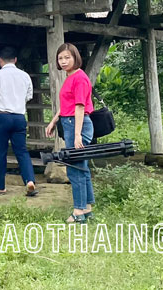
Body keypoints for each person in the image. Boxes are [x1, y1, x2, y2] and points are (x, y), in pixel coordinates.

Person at [45, 42, 95, 222]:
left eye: (68, 57)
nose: (64, 61)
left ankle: (78, 211)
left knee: (75, 169)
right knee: (81, 167)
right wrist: (54, 120)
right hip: (69, 122)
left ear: (76, 58)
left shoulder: (79, 78)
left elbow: (80, 107)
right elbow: (67, 104)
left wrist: (77, 135)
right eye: (61, 58)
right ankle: (87, 208)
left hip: (77, 124)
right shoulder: (70, 77)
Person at [0, 46, 37, 197]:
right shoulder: (25, 76)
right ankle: (29, 180)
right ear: (15, 60)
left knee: (0, 153)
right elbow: (29, 96)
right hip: (19, 117)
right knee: (22, 151)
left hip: (2, 117)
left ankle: (0, 186)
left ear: (0, 61)